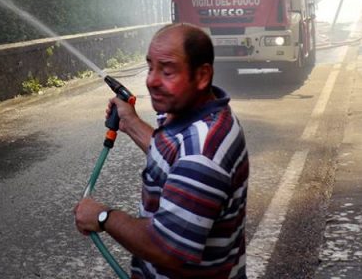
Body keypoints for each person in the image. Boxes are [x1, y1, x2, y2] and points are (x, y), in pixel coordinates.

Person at [74, 23, 248, 278]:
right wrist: (130, 123)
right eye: (150, 67)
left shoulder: (202, 152)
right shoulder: (198, 115)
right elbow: (174, 157)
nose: (152, 80)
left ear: (202, 75)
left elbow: (169, 249)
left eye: (167, 71)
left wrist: (102, 216)